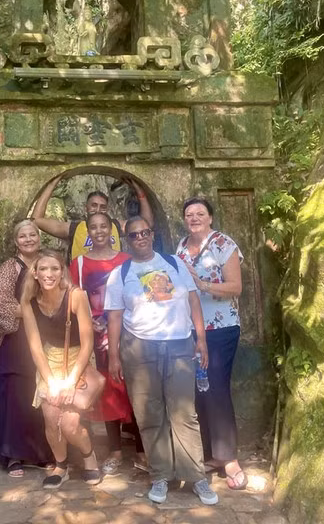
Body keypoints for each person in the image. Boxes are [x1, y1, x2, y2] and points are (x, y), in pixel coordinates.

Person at [104, 216, 219, 506]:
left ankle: (196, 476)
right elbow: (115, 316)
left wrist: (200, 338)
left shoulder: (175, 263)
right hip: (139, 349)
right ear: (127, 240)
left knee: (184, 412)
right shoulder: (120, 274)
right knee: (149, 413)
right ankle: (160, 474)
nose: (140, 237)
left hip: (178, 343)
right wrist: (114, 355)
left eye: (145, 232)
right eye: (134, 235)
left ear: (152, 234)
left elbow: (193, 300)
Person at [68, 212, 147, 477]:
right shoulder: (78, 264)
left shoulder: (126, 260)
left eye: (104, 226)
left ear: (112, 231)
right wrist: (89, 324)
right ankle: (114, 450)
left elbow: (138, 295)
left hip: (129, 333)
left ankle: (142, 451)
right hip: (95, 339)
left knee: (135, 389)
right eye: (94, 227)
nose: (99, 231)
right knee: (109, 393)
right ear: (87, 232)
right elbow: (73, 301)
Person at [176, 197, 247, 490]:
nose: (194, 218)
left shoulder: (223, 244)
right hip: (191, 328)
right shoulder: (180, 247)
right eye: (189, 214)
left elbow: (236, 288)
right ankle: (208, 454)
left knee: (216, 387)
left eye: (200, 213)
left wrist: (200, 284)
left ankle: (229, 459)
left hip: (220, 327)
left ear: (210, 218)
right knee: (198, 391)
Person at [20, 249, 101, 489]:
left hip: (78, 359)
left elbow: (88, 342)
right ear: (35, 273)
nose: (49, 274)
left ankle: (89, 456)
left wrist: (71, 381)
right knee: (52, 419)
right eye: (43, 269)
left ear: (62, 271)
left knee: (70, 424)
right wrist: (51, 382)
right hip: (49, 361)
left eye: (54, 268)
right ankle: (61, 465)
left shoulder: (76, 296)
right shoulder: (29, 301)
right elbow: (35, 346)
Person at [0, 219, 54, 476]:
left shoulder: (47, 263)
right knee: (16, 398)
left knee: (41, 396)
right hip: (17, 340)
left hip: (45, 338)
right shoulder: (9, 267)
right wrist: (33, 313)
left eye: (32, 235)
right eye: (23, 236)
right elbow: (1, 303)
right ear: (16, 241)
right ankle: (13, 455)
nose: (28, 239)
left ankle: (42, 453)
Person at [31, 173, 154, 263]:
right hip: (83, 283)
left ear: (107, 209)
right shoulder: (74, 228)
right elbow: (36, 220)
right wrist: (51, 184)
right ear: (86, 207)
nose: (98, 210)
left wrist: (140, 193)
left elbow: (146, 223)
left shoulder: (115, 226)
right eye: (94, 205)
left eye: (102, 207)